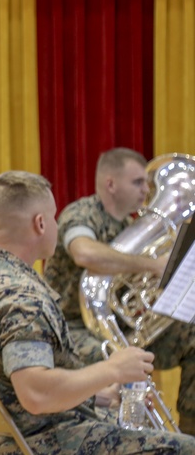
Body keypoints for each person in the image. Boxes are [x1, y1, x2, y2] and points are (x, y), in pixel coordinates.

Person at [0, 170, 195, 454]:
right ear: (40, 224)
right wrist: (112, 369)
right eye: (53, 217)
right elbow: (35, 394)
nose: (56, 225)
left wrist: (98, 395)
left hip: (4, 435)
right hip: (37, 440)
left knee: (143, 423)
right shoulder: (20, 295)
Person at [43, 147, 195, 434]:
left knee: (193, 336)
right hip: (73, 328)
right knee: (114, 362)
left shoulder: (130, 225)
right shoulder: (82, 213)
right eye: (138, 182)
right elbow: (84, 254)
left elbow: (132, 291)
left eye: (147, 184)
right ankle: (125, 440)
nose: (146, 190)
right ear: (111, 184)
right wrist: (151, 266)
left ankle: (188, 437)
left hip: (117, 327)